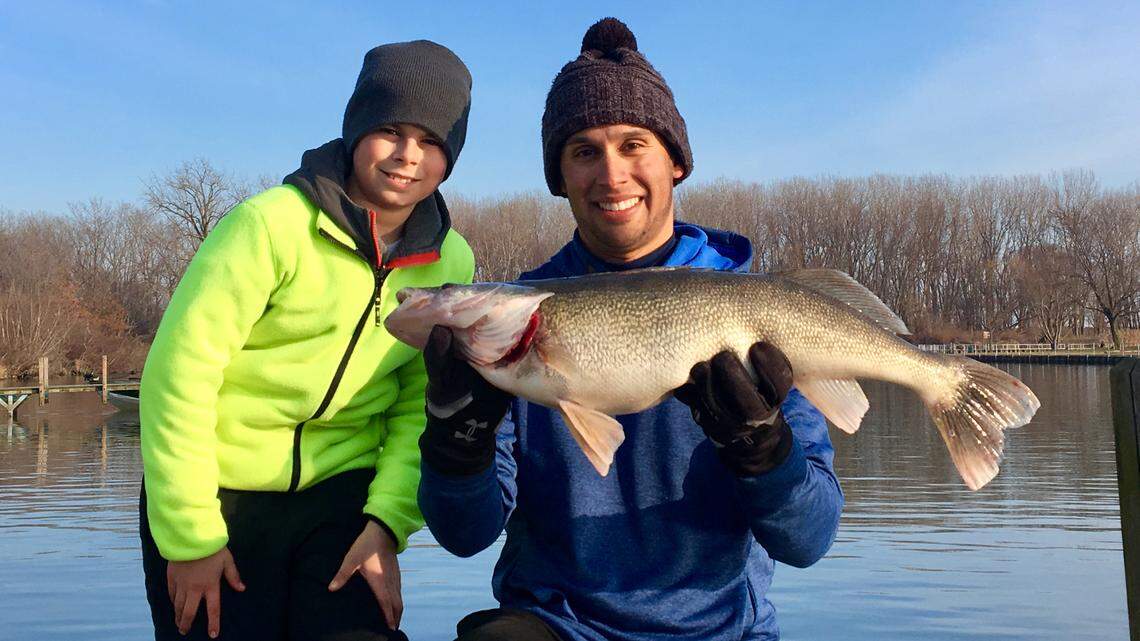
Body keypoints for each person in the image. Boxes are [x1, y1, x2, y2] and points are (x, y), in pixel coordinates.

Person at [416, 18, 844, 641]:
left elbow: (809, 540)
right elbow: (464, 535)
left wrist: (765, 452)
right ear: (559, 177)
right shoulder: (514, 319)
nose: (611, 175)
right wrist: (458, 444)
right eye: (584, 151)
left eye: (633, 144)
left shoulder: (755, 307)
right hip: (552, 623)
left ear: (675, 162)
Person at [139, 40, 475, 641]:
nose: (406, 156)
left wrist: (387, 523)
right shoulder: (269, 225)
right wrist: (189, 534)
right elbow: (179, 376)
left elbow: (415, 406)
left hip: (343, 508)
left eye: (431, 142)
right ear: (355, 129)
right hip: (218, 495)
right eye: (390, 131)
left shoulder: (452, 260)